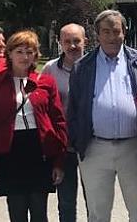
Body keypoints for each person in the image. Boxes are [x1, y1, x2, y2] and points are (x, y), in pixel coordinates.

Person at [67, 10, 137, 222]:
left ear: (124, 32)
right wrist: (78, 142)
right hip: (95, 149)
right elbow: (74, 109)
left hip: (133, 149)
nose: (112, 37)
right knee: (98, 214)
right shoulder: (82, 66)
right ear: (97, 35)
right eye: (106, 32)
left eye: (116, 31)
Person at [0, 30, 67, 222]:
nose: (25, 57)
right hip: (10, 151)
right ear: (9, 53)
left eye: (30, 52)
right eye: (20, 51)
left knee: (39, 212)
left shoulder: (46, 82)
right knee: (17, 213)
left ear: (36, 55)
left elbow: (59, 122)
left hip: (38, 150)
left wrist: (58, 161)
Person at [41, 23, 88, 222]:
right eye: (67, 41)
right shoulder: (50, 69)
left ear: (85, 41)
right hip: (63, 146)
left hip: (89, 145)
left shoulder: (94, 66)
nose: (72, 46)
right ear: (60, 43)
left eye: (76, 41)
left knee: (94, 199)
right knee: (66, 202)